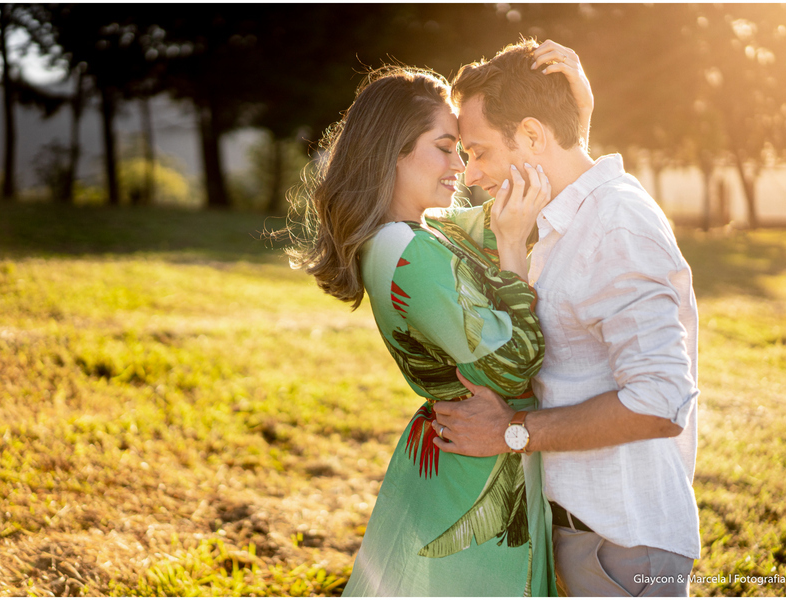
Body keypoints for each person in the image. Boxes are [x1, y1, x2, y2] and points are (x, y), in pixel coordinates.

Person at [288, 43, 593, 596]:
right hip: (470, 476)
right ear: (392, 153)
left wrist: (574, 123)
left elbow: (537, 192)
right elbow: (512, 366)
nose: (462, 166)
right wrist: (511, 251)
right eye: (446, 147)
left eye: (463, 150)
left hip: (472, 460)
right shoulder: (404, 252)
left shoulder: (425, 232)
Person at [431, 40, 701, 596]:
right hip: (584, 532)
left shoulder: (617, 223)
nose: (471, 173)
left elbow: (659, 400)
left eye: (478, 151)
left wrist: (508, 432)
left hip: (620, 545)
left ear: (531, 136)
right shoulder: (567, 219)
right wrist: (510, 243)